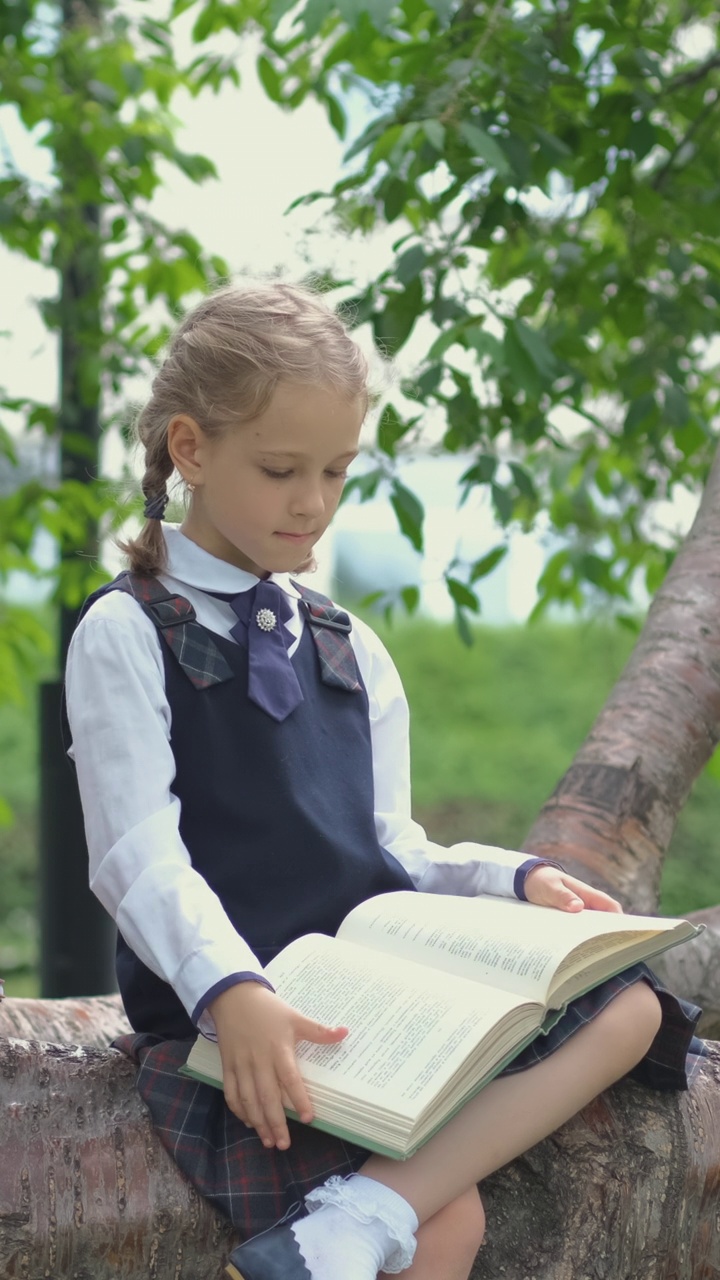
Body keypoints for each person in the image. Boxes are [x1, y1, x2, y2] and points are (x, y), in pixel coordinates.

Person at [64, 280, 703, 1280]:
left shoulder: (346, 642)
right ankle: (375, 1217)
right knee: (449, 1226)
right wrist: (231, 988)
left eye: (336, 469)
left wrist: (513, 879)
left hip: (378, 1002)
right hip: (241, 1020)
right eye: (280, 469)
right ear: (189, 449)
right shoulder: (127, 630)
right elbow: (136, 853)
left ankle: (360, 1212)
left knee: (631, 1007)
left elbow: (393, 843)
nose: (312, 500)